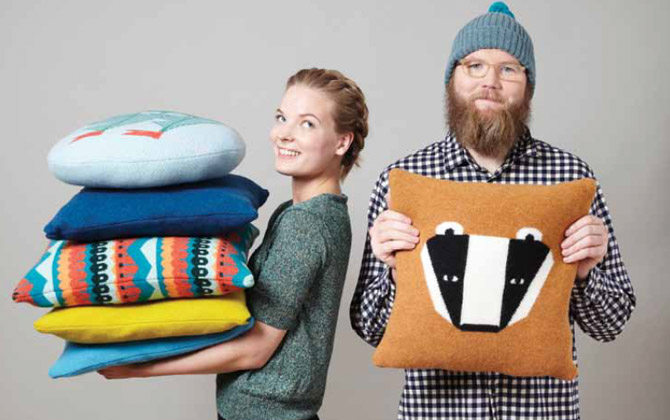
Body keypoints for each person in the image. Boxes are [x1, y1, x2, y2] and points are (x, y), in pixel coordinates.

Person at [349, 3, 636, 420]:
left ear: (528, 86)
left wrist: (586, 271)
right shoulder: (404, 180)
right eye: (475, 66)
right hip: (436, 412)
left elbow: (611, 325)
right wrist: (396, 270)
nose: (490, 82)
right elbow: (371, 329)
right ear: (452, 79)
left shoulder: (571, 178)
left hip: (542, 413)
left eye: (509, 69)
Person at [98, 68, 369, 420]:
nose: (283, 134)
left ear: (342, 142)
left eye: (307, 124)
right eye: (281, 117)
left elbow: (256, 349)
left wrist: (139, 368)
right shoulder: (315, 212)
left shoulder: (306, 223)